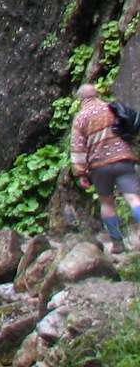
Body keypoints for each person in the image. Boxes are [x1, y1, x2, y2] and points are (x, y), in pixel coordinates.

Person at [71, 83, 140, 254]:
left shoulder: (80, 118)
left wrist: (81, 173)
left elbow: (78, 149)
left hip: (99, 166)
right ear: (97, 94)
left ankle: (117, 243)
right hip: (122, 159)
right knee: (133, 199)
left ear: (80, 99)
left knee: (107, 203)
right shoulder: (112, 108)